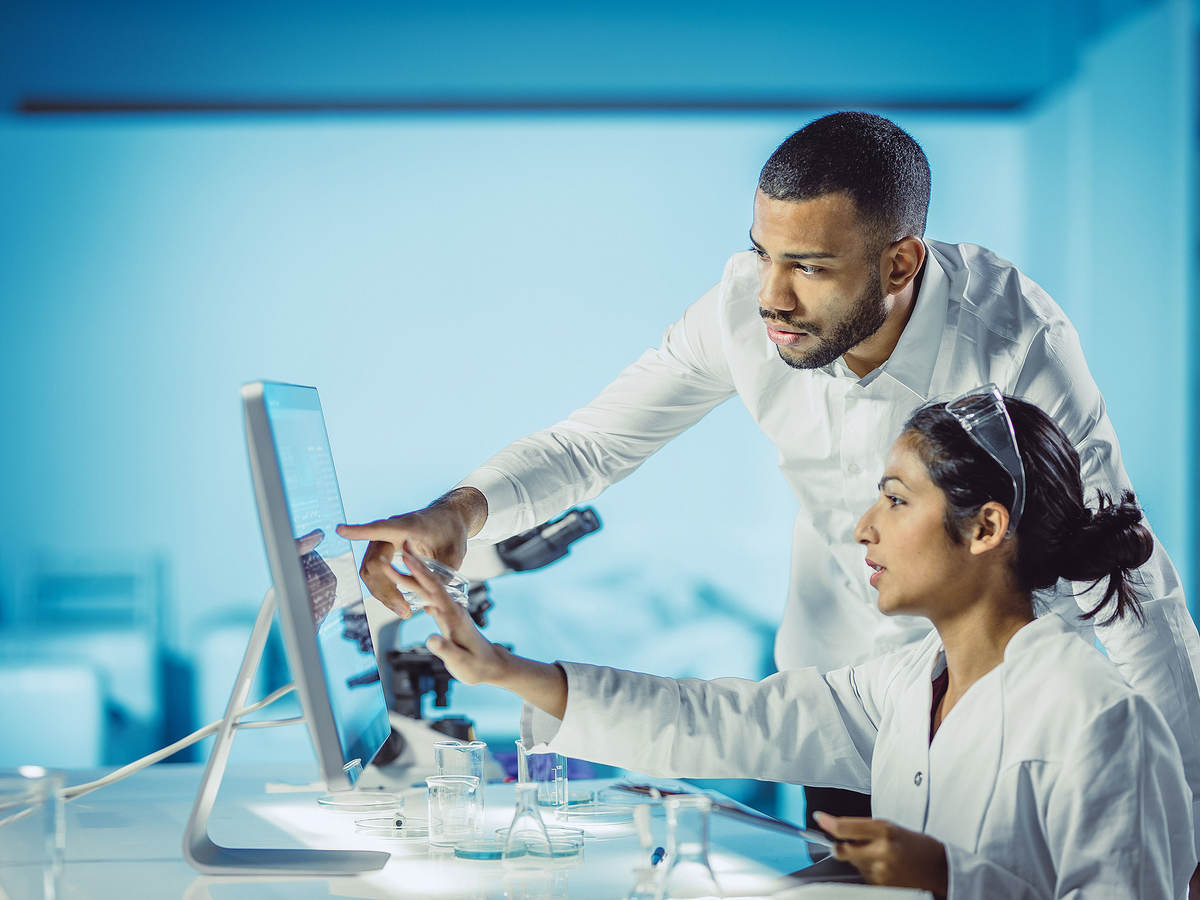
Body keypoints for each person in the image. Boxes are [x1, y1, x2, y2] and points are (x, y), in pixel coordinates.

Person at [337, 112, 1200, 860]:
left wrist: (1193, 811)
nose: (772, 298)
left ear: (901, 264)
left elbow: (1130, 587)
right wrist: (457, 515)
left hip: (992, 691)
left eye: (812, 267)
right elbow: (590, 444)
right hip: (847, 694)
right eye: (763, 253)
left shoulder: (1016, 348)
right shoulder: (741, 311)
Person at [361, 391, 1195, 898]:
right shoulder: (907, 685)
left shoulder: (1098, 720)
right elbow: (721, 721)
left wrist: (950, 878)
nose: (863, 528)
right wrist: (502, 669)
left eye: (896, 501)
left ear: (984, 528)